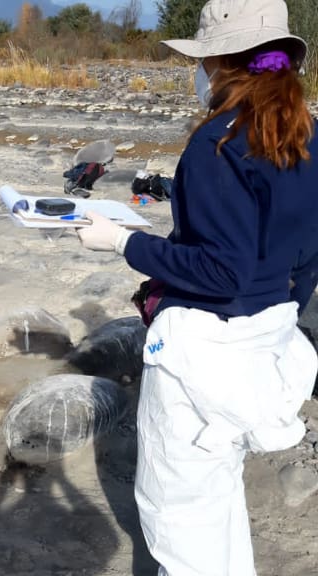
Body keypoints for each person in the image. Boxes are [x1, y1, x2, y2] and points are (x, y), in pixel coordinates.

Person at [76, 0, 318, 573]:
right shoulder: (305, 134)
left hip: (201, 355)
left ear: (220, 63)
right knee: (220, 504)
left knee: (180, 520)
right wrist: (279, 308)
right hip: (266, 340)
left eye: (204, 59)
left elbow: (222, 269)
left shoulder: (218, 145)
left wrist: (123, 243)